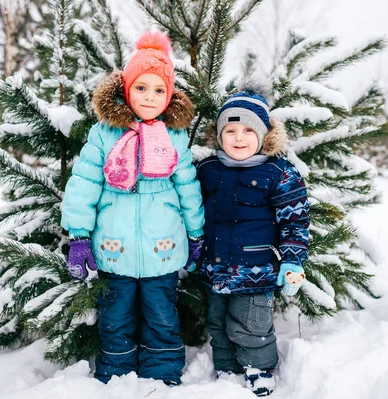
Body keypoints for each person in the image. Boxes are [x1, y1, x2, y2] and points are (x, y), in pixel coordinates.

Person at [60, 31, 205, 386]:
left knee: (161, 313)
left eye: (159, 90)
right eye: (141, 87)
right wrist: (78, 236)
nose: (150, 97)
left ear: (169, 94)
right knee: (116, 313)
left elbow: (187, 185)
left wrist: (196, 232)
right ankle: (116, 369)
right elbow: (84, 183)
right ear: (126, 89)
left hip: (163, 242)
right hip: (115, 242)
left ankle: (163, 371)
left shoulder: (174, 136)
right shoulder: (104, 133)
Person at [197, 90, 310, 396]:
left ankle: (259, 370)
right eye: (230, 131)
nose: (239, 138)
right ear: (219, 136)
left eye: (248, 130)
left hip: (256, 270)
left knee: (251, 325)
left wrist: (291, 259)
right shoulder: (208, 170)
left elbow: (294, 221)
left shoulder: (279, 172)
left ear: (263, 135)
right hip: (216, 268)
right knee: (218, 325)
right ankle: (226, 369)